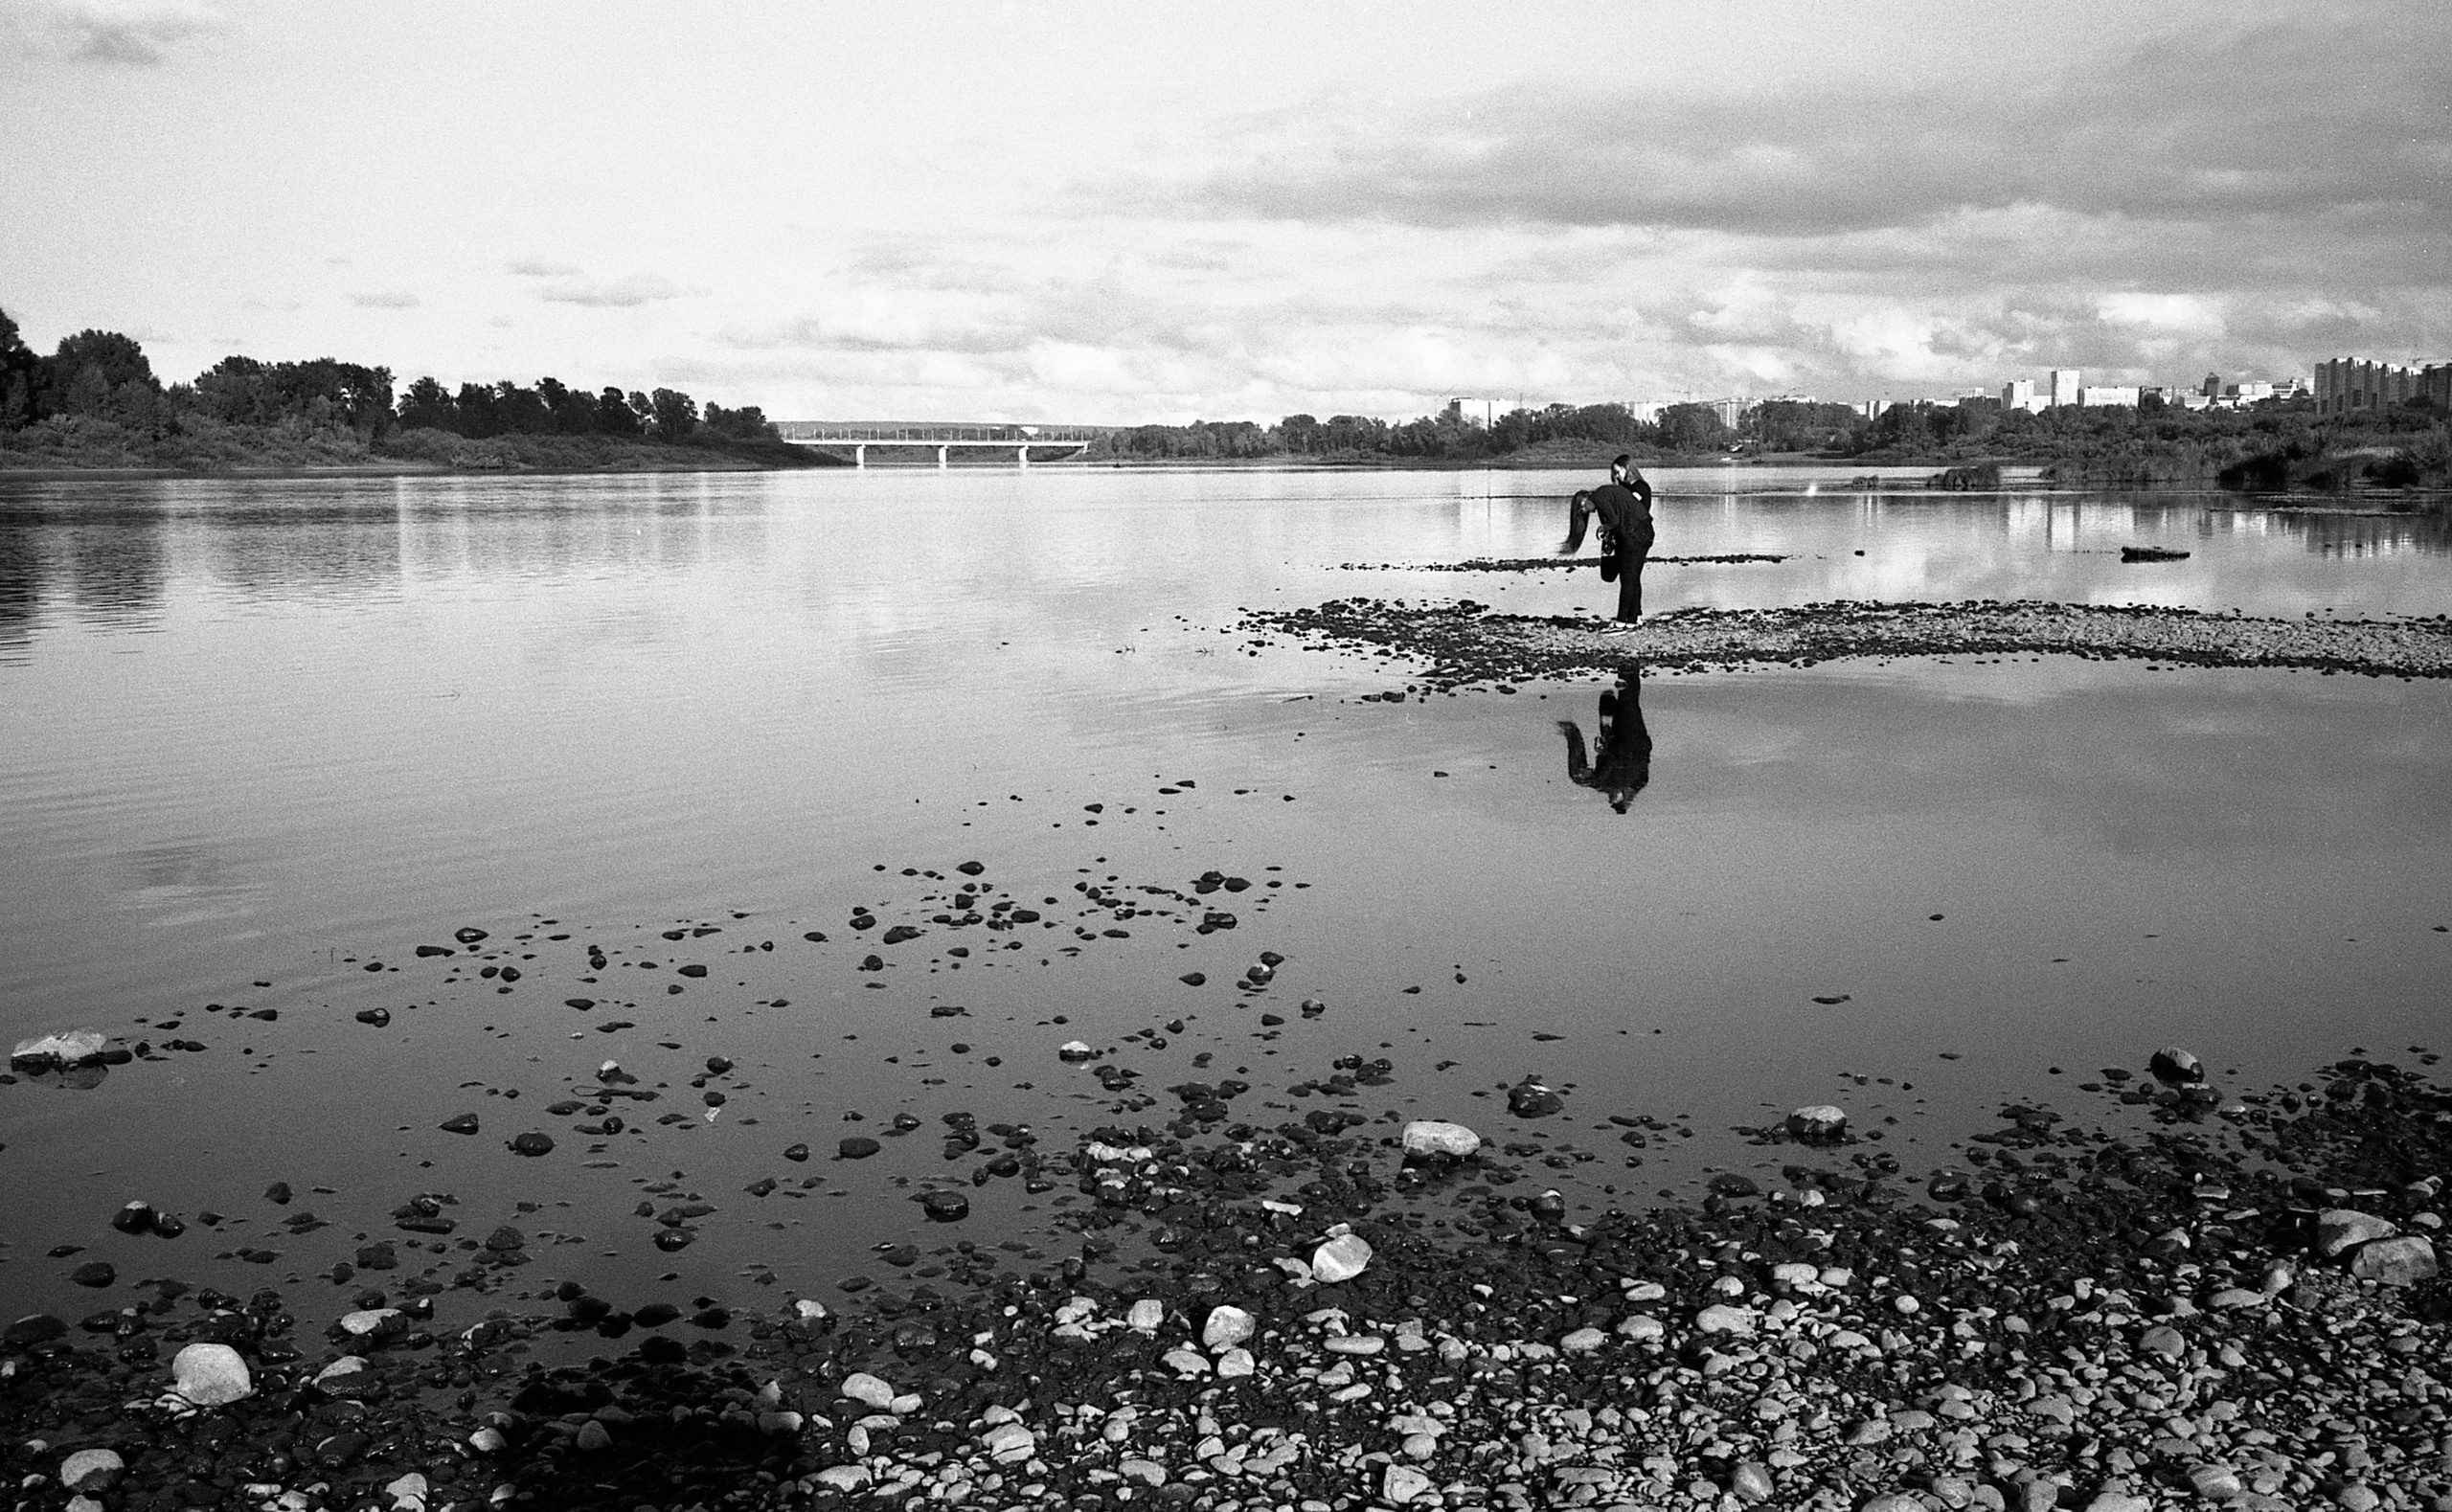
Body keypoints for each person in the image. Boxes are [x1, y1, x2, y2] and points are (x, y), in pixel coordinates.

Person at [1558, 455, 1654, 631]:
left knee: (1628, 579)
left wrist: (1603, 528)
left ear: (1584, 500)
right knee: (1631, 578)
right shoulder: (1605, 495)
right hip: (1641, 533)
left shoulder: (1600, 497)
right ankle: (1633, 619)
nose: (1584, 512)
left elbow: (1614, 521)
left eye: (1581, 508)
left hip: (1636, 534)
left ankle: (1622, 621)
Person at [1558, 666, 1652, 813]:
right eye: (1618, 800)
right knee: (1629, 706)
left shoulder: (1607, 784)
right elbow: (1643, 771)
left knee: (1628, 707)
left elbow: (1586, 776)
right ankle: (1628, 672)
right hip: (1634, 743)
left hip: (1624, 743)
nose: (1612, 799)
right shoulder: (1635, 783)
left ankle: (1627, 674)